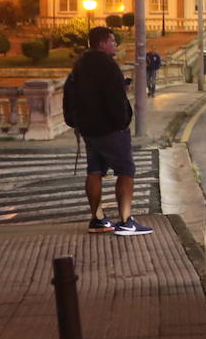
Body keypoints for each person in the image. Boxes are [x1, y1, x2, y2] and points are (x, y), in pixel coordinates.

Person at [63, 26, 150, 236]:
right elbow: (113, 99)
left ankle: (98, 219)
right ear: (102, 43)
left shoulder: (80, 65)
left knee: (94, 171)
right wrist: (122, 121)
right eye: (112, 41)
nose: (115, 45)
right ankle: (126, 221)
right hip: (111, 129)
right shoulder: (108, 66)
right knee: (126, 171)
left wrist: (75, 122)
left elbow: (69, 94)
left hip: (88, 129)